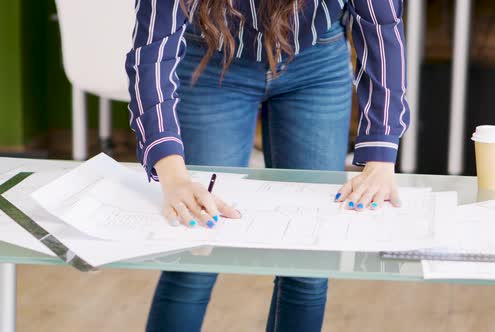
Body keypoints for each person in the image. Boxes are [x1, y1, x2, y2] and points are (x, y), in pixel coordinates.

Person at [125, 0, 409, 331]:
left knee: (308, 266)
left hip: (316, 60)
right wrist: (173, 176)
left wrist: (380, 156)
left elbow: (380, 26)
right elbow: (152, 51)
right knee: (194, 257)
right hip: (210, 57)